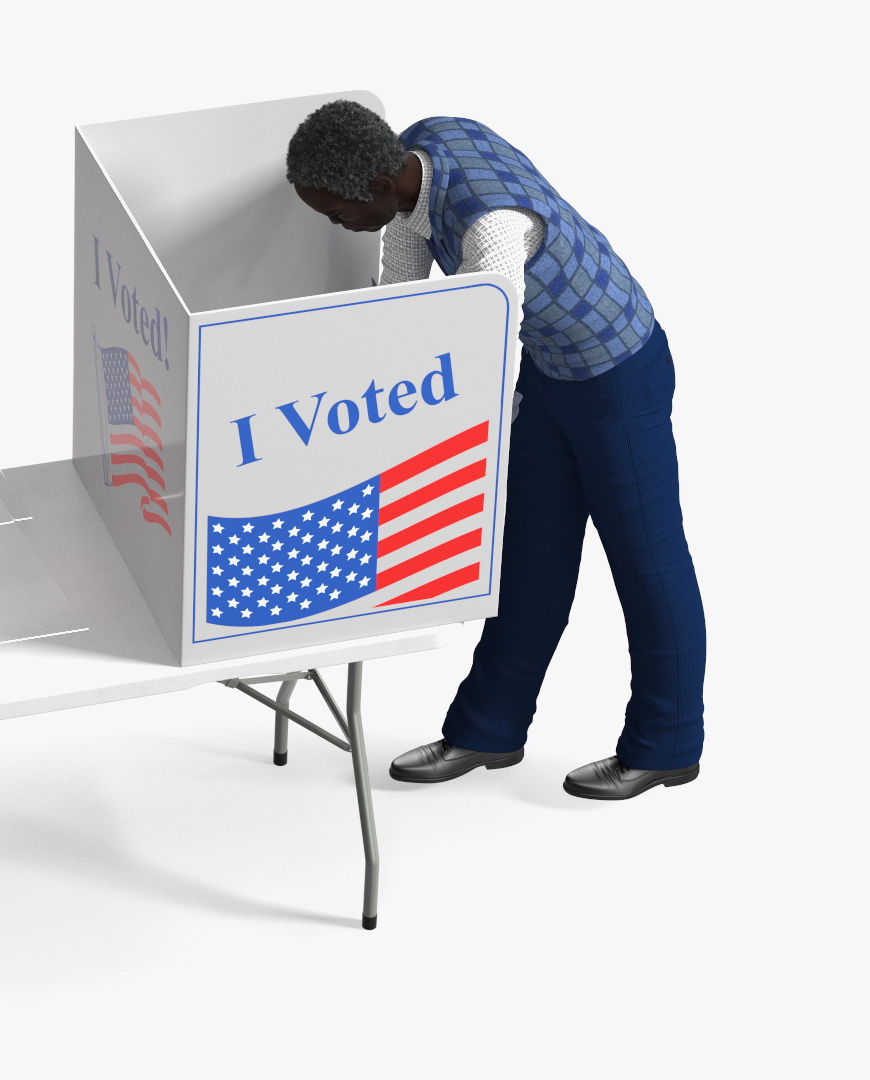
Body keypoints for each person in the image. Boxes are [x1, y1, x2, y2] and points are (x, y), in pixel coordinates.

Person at [285, 101, 704, 800]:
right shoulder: (417, 153)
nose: (337, 227)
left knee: (648, 564)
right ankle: (488, 729)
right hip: (552, 367)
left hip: (617, 373)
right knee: (530, 558)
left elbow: (480, 341)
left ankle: (667, 745)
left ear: (380, 187)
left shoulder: (493, 231)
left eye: (336, 214)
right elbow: (404, 293)